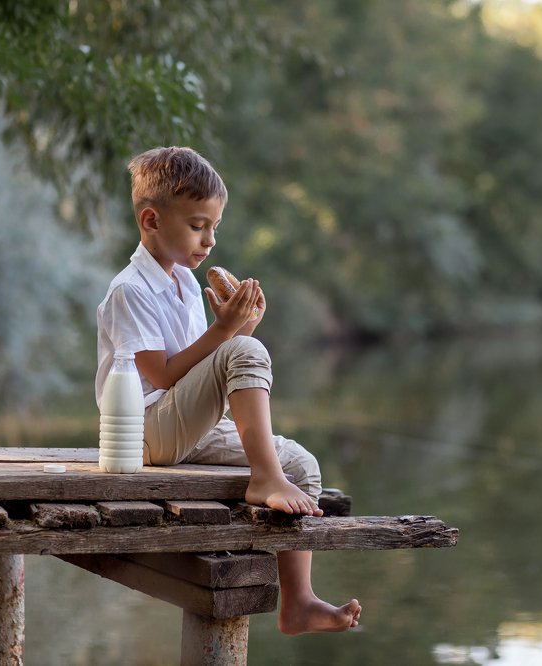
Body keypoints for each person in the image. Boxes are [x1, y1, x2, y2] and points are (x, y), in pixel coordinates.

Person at [95, 146, 361, 634]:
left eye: (214, 227)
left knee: (302, 464)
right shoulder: (130, 290)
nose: (210, 240)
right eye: (198, 225)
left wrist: (235, 331)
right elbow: (162, 376)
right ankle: (264, 478)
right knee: (246, 353)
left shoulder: (186, 286)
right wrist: (228, 337)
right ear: (151, 220)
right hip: (144, 433)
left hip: (189, 428)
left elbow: (207, 372)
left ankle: (298, 601)